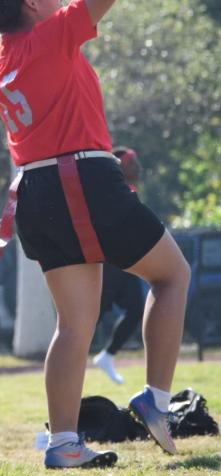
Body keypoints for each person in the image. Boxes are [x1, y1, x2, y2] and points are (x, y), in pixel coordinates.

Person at [0, 0, 191, 468]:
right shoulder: (51, 37)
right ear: (35, 6)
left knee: (74, 325)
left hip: (35, 190)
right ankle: (157, 399)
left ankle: (64, 442)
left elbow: (0, 23)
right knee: (172, 276)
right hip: (82, 178)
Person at [90, 148, 148, 384]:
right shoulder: (109, 191)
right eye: (132, 162)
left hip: (125, 261)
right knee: (91, 316)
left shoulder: (129, 190)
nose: (138, 167)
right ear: (119, 166)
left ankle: (107, 355)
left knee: (136, 308)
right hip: (108, 262)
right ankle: (66, 362)